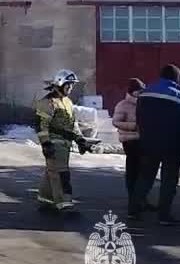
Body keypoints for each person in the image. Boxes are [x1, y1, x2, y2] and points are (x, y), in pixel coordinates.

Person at [130, 64, 180, 225]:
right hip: (173, 145)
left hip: (148, 143)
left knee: (145, 177)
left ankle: (133, 210)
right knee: (169, 180)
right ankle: (164, 216)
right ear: (176, 78)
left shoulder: (145, 93)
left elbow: (139, 117)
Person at [34, 69, 98, 215]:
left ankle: (46, 199)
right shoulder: (48, 102)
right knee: (61, 173)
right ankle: (65, 204)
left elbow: (72, 124)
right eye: (68, 85)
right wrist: (46, 143)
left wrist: (80, 139)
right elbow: (41, 124)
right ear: (60, 84)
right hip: (54, 143)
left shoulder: (67, 102)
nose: (70, 88)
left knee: (52, 171)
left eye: (72, 86)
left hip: (65, 144)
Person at [112, 78, 150, 207]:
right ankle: (133, 202)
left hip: (143, 140)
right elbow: (116, 122)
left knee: (144, 172)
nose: (140, 93)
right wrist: (134, 126)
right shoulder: (123, 104)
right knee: (133, 172)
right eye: (138, 91)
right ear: (132, 91)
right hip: (130, 141)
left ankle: (142, 200)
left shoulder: (144, 103)